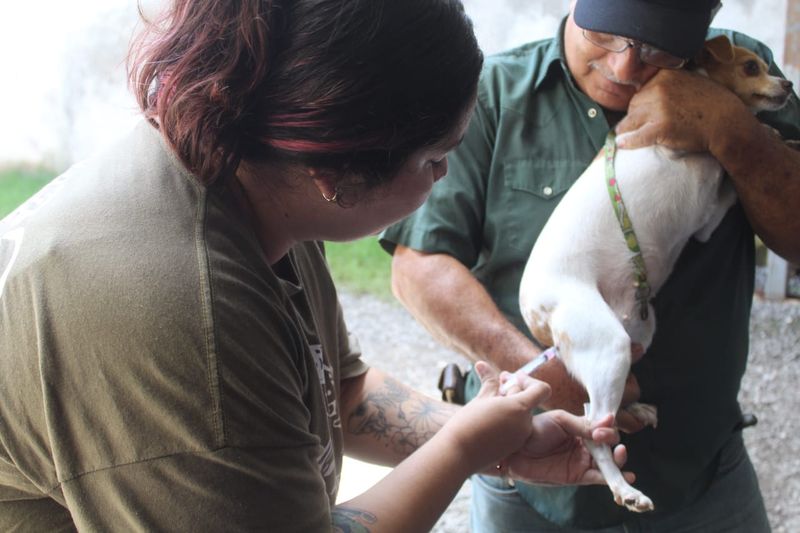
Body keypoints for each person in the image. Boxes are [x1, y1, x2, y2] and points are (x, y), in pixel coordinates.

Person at [0, 0, 632, 531]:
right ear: (335, 172)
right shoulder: (182, 313)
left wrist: (492, 434)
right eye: (435, 159)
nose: (443, 180)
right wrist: (463, 448)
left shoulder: (253, 169)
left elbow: (342, 391)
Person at [381, 0, 800, 531]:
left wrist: (731, 129)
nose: (625, 67)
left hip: (702, 468)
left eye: (655, 49)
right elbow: (418, 268)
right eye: (607, 35)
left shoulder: (737, 66)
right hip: (528, 473)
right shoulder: (494, 92)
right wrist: (553, 375)